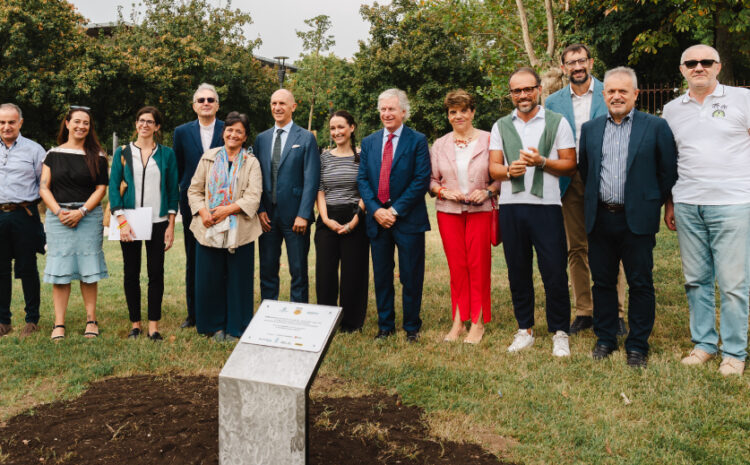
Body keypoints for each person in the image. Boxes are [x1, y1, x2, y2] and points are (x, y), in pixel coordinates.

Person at [579, 67, 677, 368]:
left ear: (636, 94)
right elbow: (586, 170)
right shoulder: (591, 128)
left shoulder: (656, 127)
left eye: (623, 91)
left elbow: (667, 172)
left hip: (638, 219)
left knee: (640, 282)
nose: (617, 96)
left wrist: (649, 202)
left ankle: (637, 344)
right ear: (603, 95)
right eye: (611, 91)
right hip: (601, 218)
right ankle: (606, 338)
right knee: (603, 281)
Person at [663, 44, 750, 376]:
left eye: (706, 62)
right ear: (682, 69)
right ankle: (703, 345)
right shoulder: (671, 110)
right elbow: (670, 162)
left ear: (718, 66)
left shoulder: (743, 100)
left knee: (732, 283)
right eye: (691, 63)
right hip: (688, 204)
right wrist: (670, 202)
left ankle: (734, 352)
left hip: (733, 203)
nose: (698, 67)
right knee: (696, 280)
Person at [488, 67, 576, 357]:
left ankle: (560, 331)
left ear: (539, 90)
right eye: (517, 91)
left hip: (547, 207)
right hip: (512, 208)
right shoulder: (500, 126)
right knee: (518, 271)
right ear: (511, 94)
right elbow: (493, 168)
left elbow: (570, 165)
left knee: (554, 272)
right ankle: (524, 329)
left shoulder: (557, 121)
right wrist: (507, 170)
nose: (523, 95)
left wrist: (541, 162)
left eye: (528, 89)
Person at [545, 43, 628, 336]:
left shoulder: (611, 92)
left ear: (591, 62)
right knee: (576, 247)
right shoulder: (553, 102)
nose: (577, 67)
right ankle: (584, 311)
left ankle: (616, 312)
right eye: (571, 62)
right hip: (569, 179)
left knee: (609, 244)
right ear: (564, 67)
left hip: (605, 178)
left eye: (582, 61)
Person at [357, 88, 431, 342]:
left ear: (403, 111)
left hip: (408, 219)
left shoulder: (418, 140)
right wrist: (377, 210)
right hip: (377, 221)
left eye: (391, 109)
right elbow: (363, 179)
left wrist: (395, 210)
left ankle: (412, 327)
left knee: (411, 275)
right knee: (382, 275)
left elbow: (421, 180)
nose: (386, 114)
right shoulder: (368, 142)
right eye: (383, 109)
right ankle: (385, 326)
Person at [429, 90, 500, 344]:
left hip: (480, 211)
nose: (458, 116)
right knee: (457, 266)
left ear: (472, 112)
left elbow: (499, 176)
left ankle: (478, 322)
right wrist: (444, 191)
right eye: (453, 112)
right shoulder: (439, 144)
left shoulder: (490, 140)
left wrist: (488, 191)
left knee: (478, 265)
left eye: (463, 110)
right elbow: (432, 180)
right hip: (448, 212)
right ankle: (458, 320)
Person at [188, 112, 262, 342]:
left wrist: (226, 210)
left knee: (238, 279)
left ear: (245, 137)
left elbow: (253, 197)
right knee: (209, 278)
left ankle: (236, 327)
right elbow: (194, 190)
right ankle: (213, 326)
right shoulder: (209, 158)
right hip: (208, 227)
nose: (233, 134)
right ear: (223, 132)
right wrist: (203, 212)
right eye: (229, 130)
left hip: (239, 229)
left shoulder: (251, 162)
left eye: (239, 131)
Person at [109, 106, 179, 341]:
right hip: (129, 220)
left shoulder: (166, 154)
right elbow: (113, 188)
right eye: (141, 120)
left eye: (150, 121)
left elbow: (172, 190)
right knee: (131, 272)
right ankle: (135, 324)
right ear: (136, 124)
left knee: (156, 273)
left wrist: (170, 225)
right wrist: (121, 221)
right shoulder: (123, 152)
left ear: (157, 127)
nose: (145, 125)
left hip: (157, 221)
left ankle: (153, 326)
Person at [39, 106, 109, 340]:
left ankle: (91, 320)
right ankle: (59, 324)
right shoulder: (52, 154)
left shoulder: (98, 155)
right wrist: (59, 211)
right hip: (58, 218)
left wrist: (81, 211)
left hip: (88, 217)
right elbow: (44, 187)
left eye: (86, 123)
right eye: (77, 121)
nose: (81, 126)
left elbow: (101, 189)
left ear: (90, 127)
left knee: (89, 270)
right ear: (67, 123)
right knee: (60, 270)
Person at [255, 89, 319, 304]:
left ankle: (298, 316)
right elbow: (257, 178)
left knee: (298, 270)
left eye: (282, 103)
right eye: (273, 103)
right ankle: (268, 313)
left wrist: (303, 214)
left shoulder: (306, 138)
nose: (277, 107)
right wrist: (260, 209)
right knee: (267, 269)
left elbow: (312, 179)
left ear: (293, 107)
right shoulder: (261, 139)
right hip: (267, 217)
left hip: (295, 217)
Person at [173, 83, 225, 329]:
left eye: (210, 100)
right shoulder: (181, 132)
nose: (206, 103)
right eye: (201, 100)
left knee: (221, 255)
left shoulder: (228, 129)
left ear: (217, 105)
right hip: (191, 203)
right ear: (194, 105)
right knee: (193, 256)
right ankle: (193, 313)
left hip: (222, 202)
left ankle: (220, 309)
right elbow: (179, 168)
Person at [315, 110, 369, 332]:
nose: (336, 132)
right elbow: (319, 189)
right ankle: (326, 321)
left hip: (355, 216)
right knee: (325, 273)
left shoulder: (363, 156)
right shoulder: (324, 157)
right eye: (333, 128)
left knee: (353, 273)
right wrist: (326, 219)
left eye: (340, 127)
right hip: (328, 217)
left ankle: (351, 323)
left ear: (352, 128)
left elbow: (367, 188)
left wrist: (356, 218)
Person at [0, 103, 46, 339]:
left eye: (11, 122)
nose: (6, 127)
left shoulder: (34, 150)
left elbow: (45, 184)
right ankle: (3, 321)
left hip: (24, 214)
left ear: (20, 123)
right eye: (2, 122)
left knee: (27, 267)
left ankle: (32, 319)